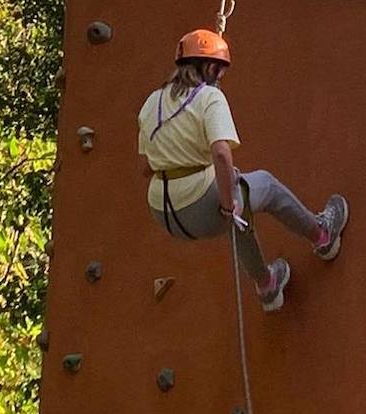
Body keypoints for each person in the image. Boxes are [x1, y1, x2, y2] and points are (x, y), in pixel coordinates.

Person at [137, 27, 349, 312]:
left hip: (162, 212)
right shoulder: (209, 99)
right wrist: (227, 205)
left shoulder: (152, 103)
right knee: (263, 187)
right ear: (211, 67)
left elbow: (145, 167)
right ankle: (323, 235)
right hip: (199, 207)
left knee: (241, 208)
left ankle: (268, 286)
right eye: (220, 71)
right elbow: (222, 155)